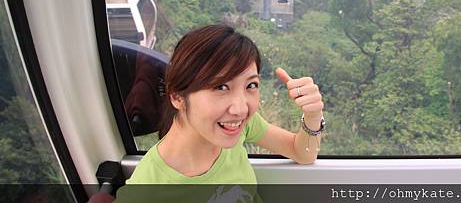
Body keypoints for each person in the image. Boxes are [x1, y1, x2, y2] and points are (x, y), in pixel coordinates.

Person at [116, 24, 324, 200]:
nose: (241, 108)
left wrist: (313, 115)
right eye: (221, 87)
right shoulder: (145, 191)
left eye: (250, 85)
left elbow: (302, 153)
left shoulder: (236, 127)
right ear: (178, 97)